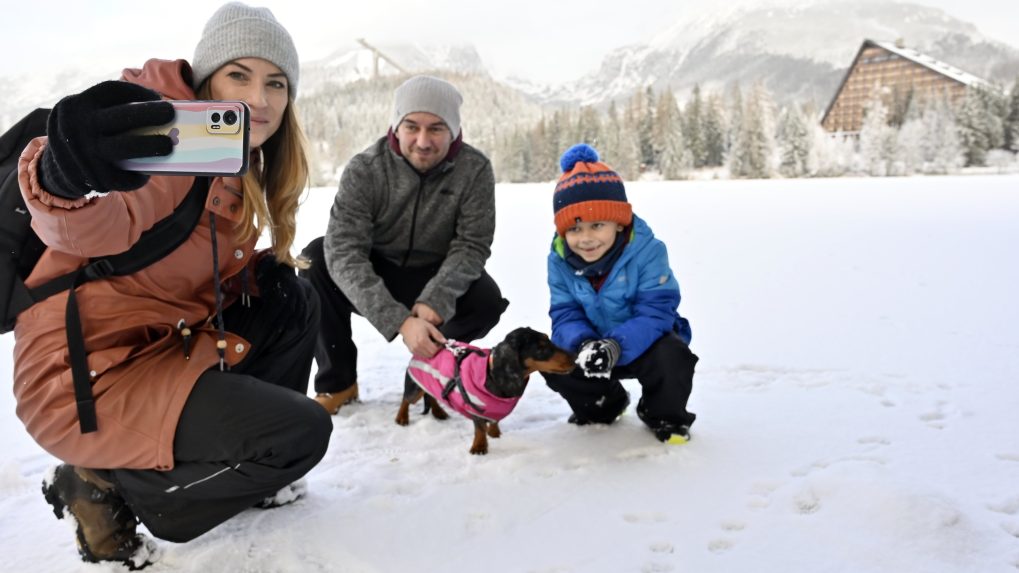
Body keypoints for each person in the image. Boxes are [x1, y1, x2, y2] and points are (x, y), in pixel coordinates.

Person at [13, 3, 331, 568]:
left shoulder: (234, 161)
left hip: (158, 346)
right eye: (240, 74)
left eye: (276, 82)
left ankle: (245, 466)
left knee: (289, 294)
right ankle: (100, 485)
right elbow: (91, 223)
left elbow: (182, 267)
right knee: (301, 434)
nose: (260, 98)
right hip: (82, 376)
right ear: (207, 79)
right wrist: (61, 174)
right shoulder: (166, 144)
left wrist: (253, 273)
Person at [300, 75, 508, 414]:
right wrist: (400, 321)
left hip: (435, 272)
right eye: (412, 126)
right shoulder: (365, 169)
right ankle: (338, 382)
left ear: (454, 130)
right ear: (395, 126)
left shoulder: (474, 170)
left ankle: (431, 374)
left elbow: (472, 245)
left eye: (436, 129)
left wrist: (434, 301)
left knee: (485, 301)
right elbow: (344, 250)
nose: (422, 141)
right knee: (316, 260)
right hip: (377, 266)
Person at [541, 143, 698, 444]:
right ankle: (605, 405)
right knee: (552, 358)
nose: (585, 239)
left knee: (672, 356)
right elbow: (564, 314)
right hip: (591, 347)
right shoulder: (558, 260)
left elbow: (656, 312)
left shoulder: (648, 251)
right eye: (574, 230)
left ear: (618, 221)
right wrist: (584, 343)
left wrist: (615, 346)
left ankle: (662, 415)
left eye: (596, 225)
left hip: (645, 342)